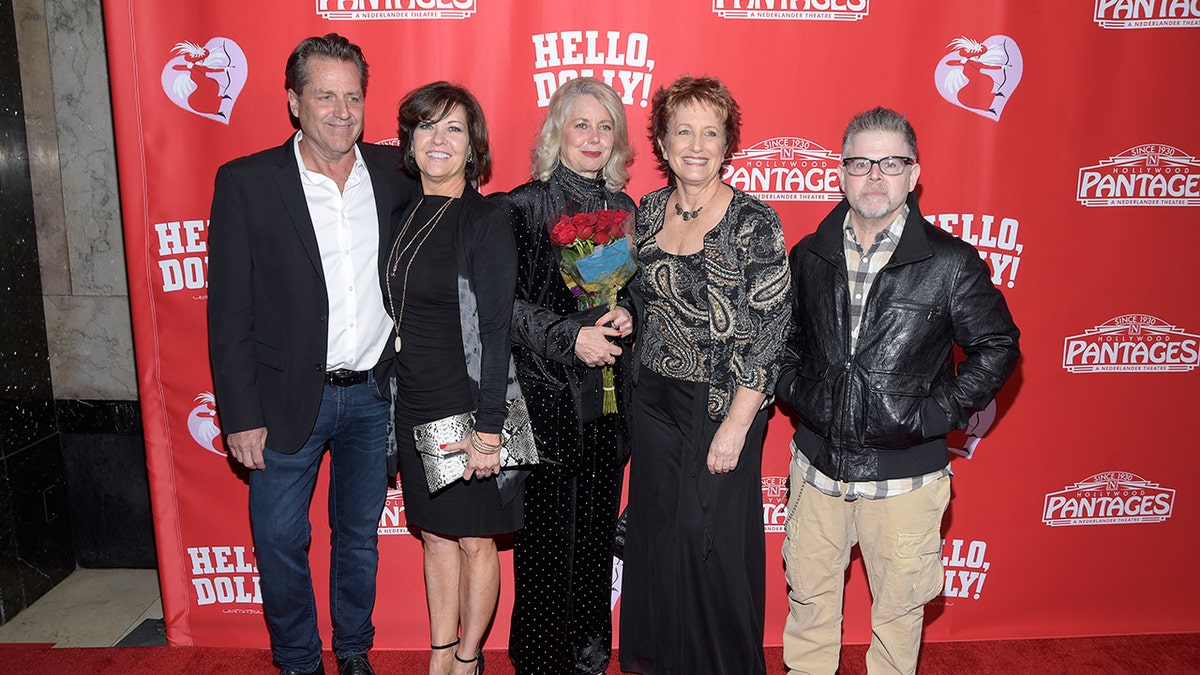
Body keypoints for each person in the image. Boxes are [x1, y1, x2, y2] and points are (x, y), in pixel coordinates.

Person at [775, 107, 1020, 674]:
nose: (875, 177)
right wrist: (802, 393)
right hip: (817, 471)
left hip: (907, 478)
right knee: (809, 607)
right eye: (861, 163)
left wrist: (933, 413)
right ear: (841, 172)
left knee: (898, 617)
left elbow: (998, 347)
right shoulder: (809, 256)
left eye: (892, 162)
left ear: (914, 174)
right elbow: (785, 342)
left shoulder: (950, 263)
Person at [207, 34, 414, 675]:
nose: (341, 110)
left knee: (357, 540)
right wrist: (239, 414)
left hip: (373, 397)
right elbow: (229, 310)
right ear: (295, 102)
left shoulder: (393, 173)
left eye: (352, 96)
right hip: (284, 397)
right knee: (277, 540)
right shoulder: (246, 183)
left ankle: (353, 650)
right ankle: (298, 660)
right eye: (325, 95)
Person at [618, 76, 791, 675]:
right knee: (658, 536)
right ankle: (660, 662)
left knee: (707, 538)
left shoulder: (754, 222)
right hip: (653, 400)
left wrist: (738, 424)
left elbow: (772, 331)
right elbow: (642, 299)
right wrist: (620, 310)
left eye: (710, 132)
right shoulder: (646, 210)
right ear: (662, 144)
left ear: (727, 144)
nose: (696, 144)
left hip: (722, 403)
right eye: (683, 131)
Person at [491, 77, 636, 675]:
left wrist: (630, 314)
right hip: (544, 403)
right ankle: (542, 661)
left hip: (606, 409)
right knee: (547, 548)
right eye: (581, 125)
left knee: (598, 540)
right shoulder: (520, 206)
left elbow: (636, 297)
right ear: (557, 133)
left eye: (606, 127)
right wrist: (571, 337)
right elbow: (501, 306)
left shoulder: (626, 211)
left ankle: (588, 656)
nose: (594, 138)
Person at [387, 81, 519, 675]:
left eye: (454, 129)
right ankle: (440, 652)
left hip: (464, 404)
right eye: (427, 126)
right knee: (435, 536)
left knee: (473, 539)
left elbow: (497, 332)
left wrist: (490, 428)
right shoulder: (402, 212)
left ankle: (469, 659)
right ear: (410, 139)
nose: (438, 139)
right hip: (412, 399)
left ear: (473, 148)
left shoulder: (484, 219)